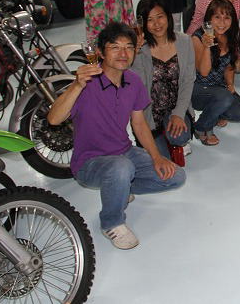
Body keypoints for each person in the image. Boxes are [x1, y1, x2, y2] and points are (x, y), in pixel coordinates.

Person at [47, 22, 185, 250]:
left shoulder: (133, 81)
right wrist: (76, 85)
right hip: (89, 163)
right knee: (121, 168)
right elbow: (53, 119)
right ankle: (112, 223)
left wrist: (157, 157)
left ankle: (119, 188)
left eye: (129, 47)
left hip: (125, 152)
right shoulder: (86, 83)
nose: (123, 53)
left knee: (176, 176)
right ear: (101, 52)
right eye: (115, 47)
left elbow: (139, 124)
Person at [131, 0, 194, 157]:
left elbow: (188, 80)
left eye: (160, 17)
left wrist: (179, 113)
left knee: (180, 137)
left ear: (168, 16)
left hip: (176, 106)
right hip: (150, 114)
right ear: (143, 24)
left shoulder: (184, 41)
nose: (157, 24)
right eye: (150, 20)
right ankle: (161, 138)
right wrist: (136, 54)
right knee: (160, 161)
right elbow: (138, 86)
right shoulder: (140, 49)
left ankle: (173, 136)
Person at [190, 0, 240, 146]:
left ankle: (214, 112)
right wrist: (206, 47)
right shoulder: (198, 37)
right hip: (198, 89)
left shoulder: (229, 36)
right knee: (225, 98)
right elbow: (203, 72)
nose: (222, 22)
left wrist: (230, 84)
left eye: (227, 17)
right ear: (209, 18)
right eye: (217, 17)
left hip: (218, 89)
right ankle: (201, 127)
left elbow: (229, 66)